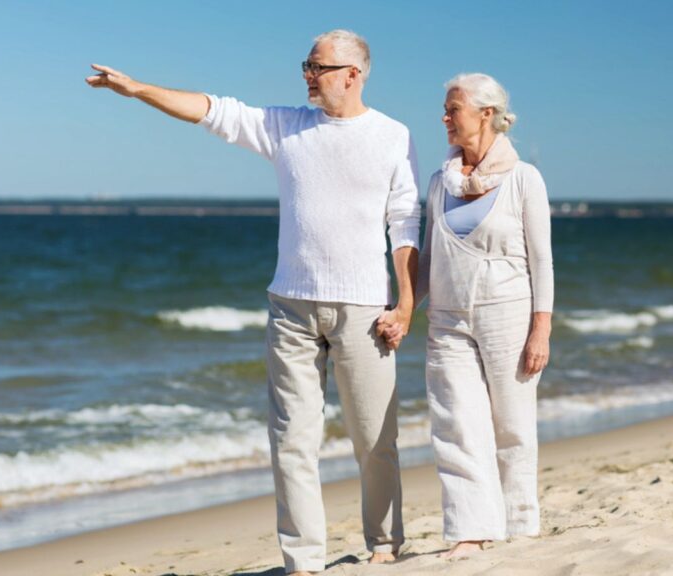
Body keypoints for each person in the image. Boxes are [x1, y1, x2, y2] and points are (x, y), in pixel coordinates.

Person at [86, 29, 420, 576]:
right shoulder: (285, 126)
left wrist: (405, 305)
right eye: (306, 65)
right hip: (291, 306)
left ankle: (384, 544)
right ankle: (304, 562)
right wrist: (139, 89)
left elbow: (404, 224)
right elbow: (212, 110)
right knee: (292, 440)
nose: (307, 75)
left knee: (374, 438)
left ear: (352, 75)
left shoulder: (392, 135)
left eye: (317, 67)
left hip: (364, 309)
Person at [414, 72, 554, 559]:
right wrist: (403, 308)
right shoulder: (440, 182)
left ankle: (519, 526)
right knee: (456, 424)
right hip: (447, 319)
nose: (445, 118)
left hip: (508, 315)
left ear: (486, 114)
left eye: (453, 109)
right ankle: (470, 531)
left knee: (512, 425)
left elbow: (542, 261)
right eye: (445, 109)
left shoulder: (524, 179)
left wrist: (541, 330)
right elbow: (428, 258)